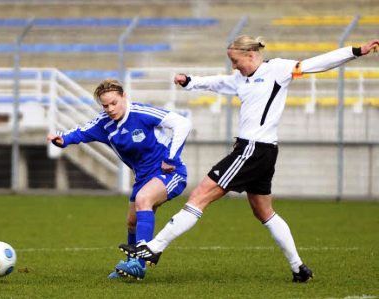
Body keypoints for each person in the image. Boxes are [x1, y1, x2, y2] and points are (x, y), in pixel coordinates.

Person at [119, 35, 379, 282]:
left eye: (236, 61)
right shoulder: (240, 78)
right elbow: (217, 82)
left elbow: (316, 64)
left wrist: (355, 52)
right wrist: (190, 81)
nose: (234, 67)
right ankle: (298, 267)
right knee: (264, 212)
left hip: (252, 150)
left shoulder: (277, 70)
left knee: (200, 195)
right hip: (262, 152)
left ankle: (154, 247)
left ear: (251, 53)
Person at [47, 79, 191, 280]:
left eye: (114, 103)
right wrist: (63, 140)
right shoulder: (104, 124)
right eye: (105, 105)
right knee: (132, 223)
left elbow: (182, 123)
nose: (110, 109)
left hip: (170, 173)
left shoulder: (141, 113)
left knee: (143, 200)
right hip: (143, 178)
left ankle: (137, 265)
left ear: (124, 97)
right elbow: (81, 132)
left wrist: (171, 157)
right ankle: (133, 267)